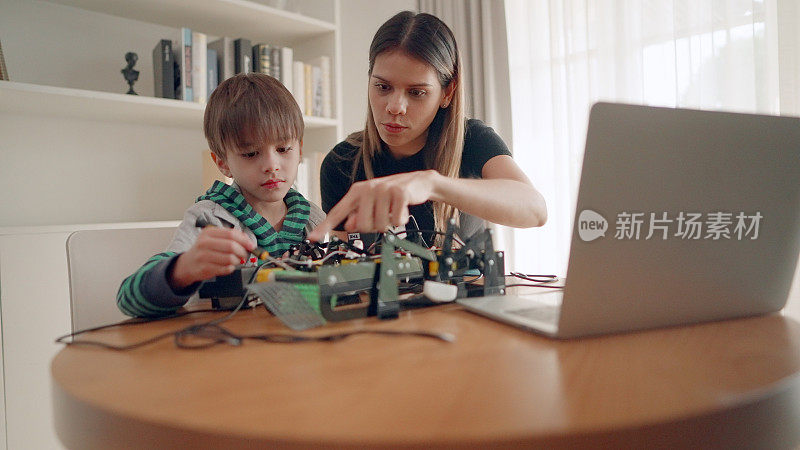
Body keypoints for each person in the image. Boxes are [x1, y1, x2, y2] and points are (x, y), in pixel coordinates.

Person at [308, 11, 546, 246]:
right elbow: (347, 262)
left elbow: (535, 210)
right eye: (382, 87)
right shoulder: (341, 163)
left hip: (469, 284)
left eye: (416, 92)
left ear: (447, 92)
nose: (395, 107)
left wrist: (432, 184)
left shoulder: (472, 139)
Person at [117, 73, 325, 318]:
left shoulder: (313, 217)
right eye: (250, 153)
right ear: (223, 162)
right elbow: (127, 299)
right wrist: (183, 269)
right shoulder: (209, 219)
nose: (272, 165)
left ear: (300, 149)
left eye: (283, 149)